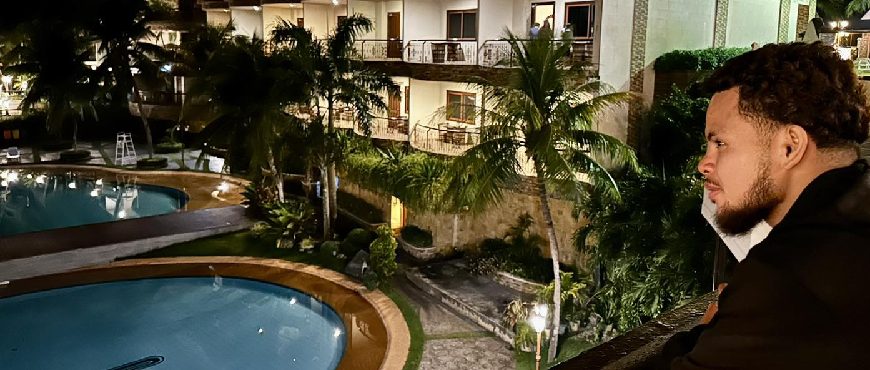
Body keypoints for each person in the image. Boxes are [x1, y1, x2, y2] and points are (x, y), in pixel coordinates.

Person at [659, 42, 870, 369]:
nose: (704, 164)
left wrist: (707, 331)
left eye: (720, 143)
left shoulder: (787, 277)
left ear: (789, 147)